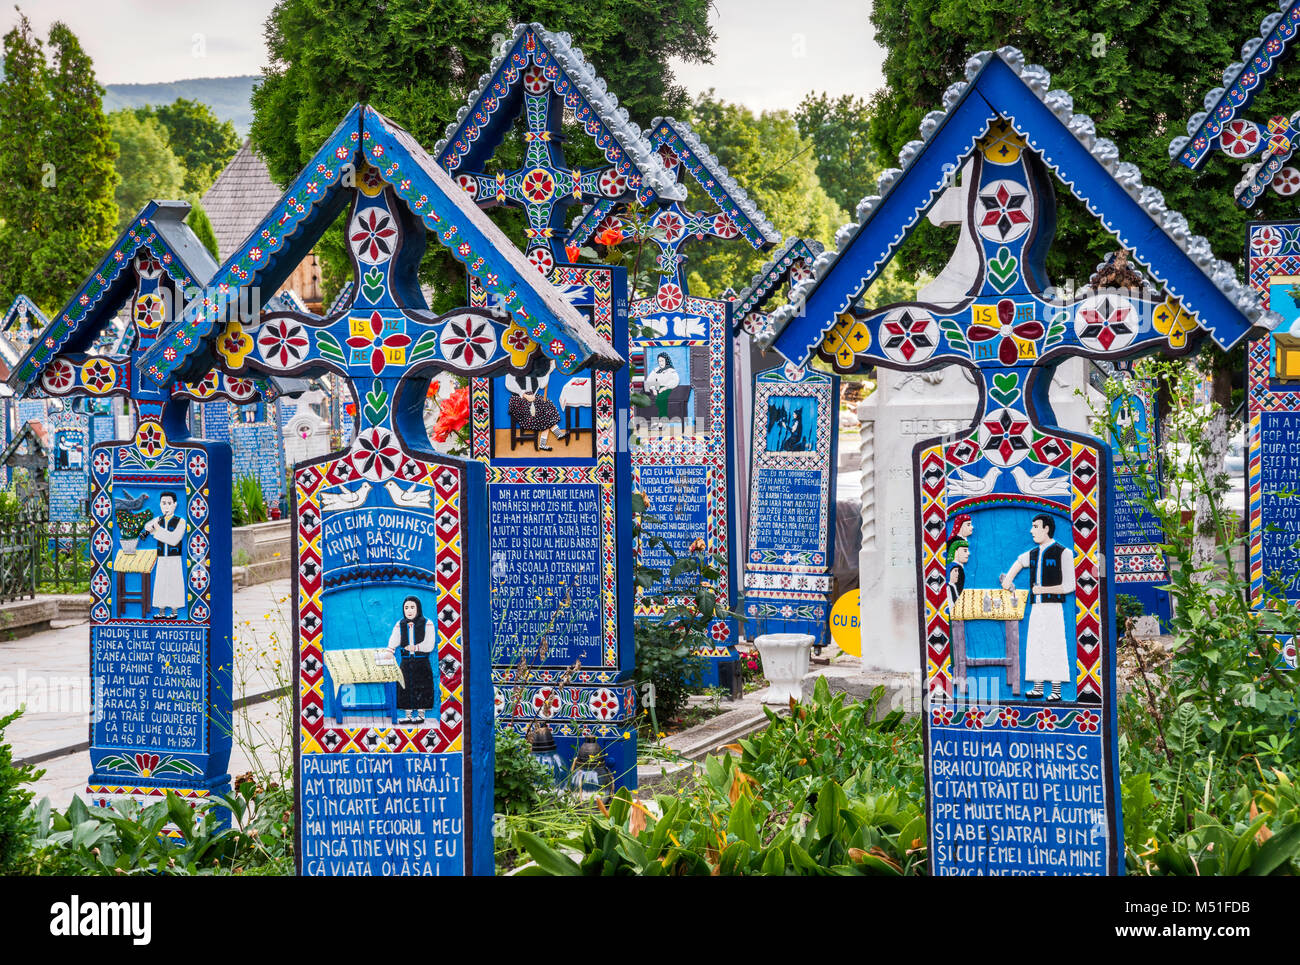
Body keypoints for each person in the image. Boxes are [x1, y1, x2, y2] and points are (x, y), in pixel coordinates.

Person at [1001, 513, 1075, 701]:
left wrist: (1042, 589)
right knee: (1035, 645)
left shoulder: (1063, 552)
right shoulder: (1033, 553)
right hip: (1037, 608)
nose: (1031, 530)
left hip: (1054, 608)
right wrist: (1008, 580)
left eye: (1035, 526)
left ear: (1046, 529)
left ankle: (1057, 690)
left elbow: (1069, 586)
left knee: (1054, 645)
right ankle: (1038, 686)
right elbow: (1018, 563)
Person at [387, 595, 437, 725]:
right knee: (405, 687)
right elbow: (395, 638)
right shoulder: (400, 624)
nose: (409, 611)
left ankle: (421, 715)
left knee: (423, 686)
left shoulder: (427, 623)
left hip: (421, 661)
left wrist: (416, 647)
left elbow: (430, 644)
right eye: (406, 608)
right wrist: (390, 650)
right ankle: (408, 715)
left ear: (418, 608)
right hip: (406, 661)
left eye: (412, 607)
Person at [145, 492, 187, 619]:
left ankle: (174, 611)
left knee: (174, 582)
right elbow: (147, 527)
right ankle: (161, 611)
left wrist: (157, 529)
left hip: (175, 558)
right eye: (163, 503)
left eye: (169, 503)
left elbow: (174, 539)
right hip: (162, 557)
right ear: (160, 505)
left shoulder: (181, 521)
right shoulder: (158, 520)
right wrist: (152, 527)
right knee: (161, 582)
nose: (166, 506)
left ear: (175, 504)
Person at [506, 364, 566, 451]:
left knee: (547, 406)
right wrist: (525, 395)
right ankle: (553, 436)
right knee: (542, 410)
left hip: (533, 397)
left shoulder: (535, 369)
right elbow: (509, 384)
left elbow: (541, 385)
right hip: (518, 399)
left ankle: (547, 441)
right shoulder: (513, 368)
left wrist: (548, 371)